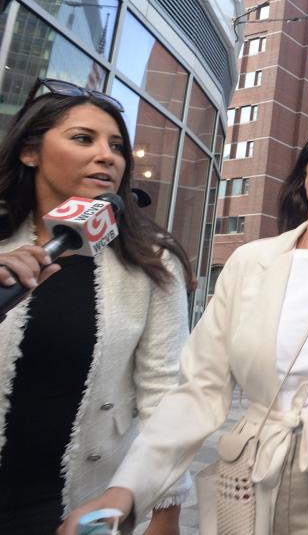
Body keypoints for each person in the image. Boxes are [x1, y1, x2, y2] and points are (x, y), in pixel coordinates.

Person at [61, 118, 308, 535]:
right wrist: (126, 489)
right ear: (306, 170)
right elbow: (199, 391)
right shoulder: (251, 263)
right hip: (251, 480)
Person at [0, 79, 193, 534]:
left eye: (117, 147)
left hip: (72, 508)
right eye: (82, 139)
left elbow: (165, 393)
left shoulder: (150, 261)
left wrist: (165, 509)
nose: (107, 156)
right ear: (31, 152)